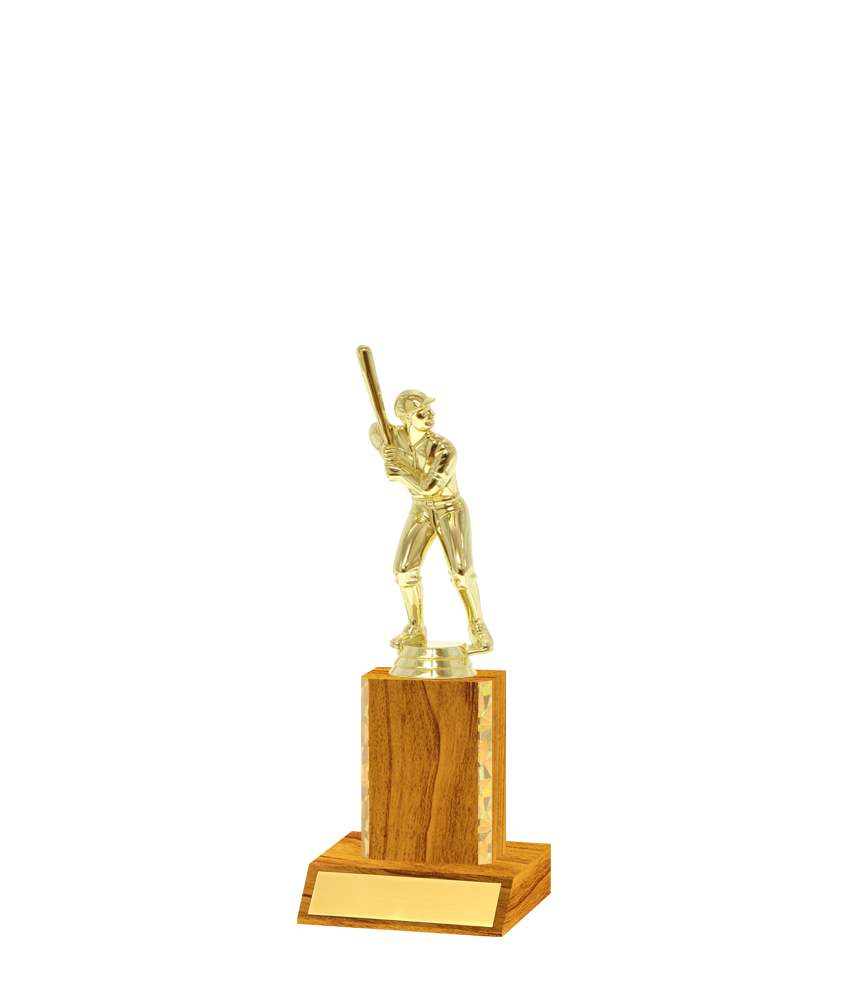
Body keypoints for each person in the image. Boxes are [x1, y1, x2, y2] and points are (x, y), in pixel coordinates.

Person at [369, 389, 494, 653]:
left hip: (450, 509)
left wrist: (400, 471)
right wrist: (385, 451)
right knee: (403, 571)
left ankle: (479, 629)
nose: (431, 415)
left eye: (429, 410)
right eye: (422, 413)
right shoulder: (396, 438)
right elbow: (374, 429)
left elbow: (428, 487)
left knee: (461, 572)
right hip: (421, 510)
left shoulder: (444, 448)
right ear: (406, 419)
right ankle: (415, 628)